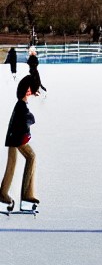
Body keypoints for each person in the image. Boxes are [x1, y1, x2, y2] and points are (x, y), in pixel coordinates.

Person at [0, 75, 40, 211]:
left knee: (11, 165)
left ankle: (3, 196)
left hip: (14, 137)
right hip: (17, 138)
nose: (31, 92)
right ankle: (26, 197)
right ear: (25, 90)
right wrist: (30, 119)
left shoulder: (21, 105)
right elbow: (25, 119)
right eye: (30, 90)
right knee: (31, 157)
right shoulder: (21, 106)